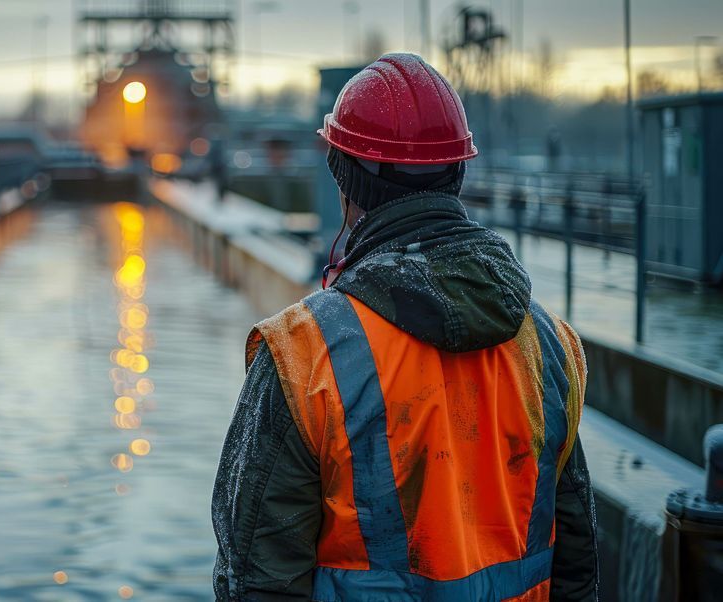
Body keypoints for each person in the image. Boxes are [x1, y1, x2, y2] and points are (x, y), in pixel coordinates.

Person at [211, 53, 598, 601]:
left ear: (343, 177)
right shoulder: (552, 350)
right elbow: (577, 565)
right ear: (458, 173)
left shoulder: (305, 356)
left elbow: (256, 577)